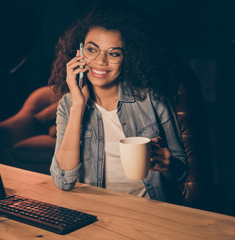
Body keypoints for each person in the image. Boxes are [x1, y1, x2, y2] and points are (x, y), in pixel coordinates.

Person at [48, 5, 188, 203]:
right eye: (92, 50)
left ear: (127, 59)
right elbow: (64, 181)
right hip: (97, 210)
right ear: (79, 52)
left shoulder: (151, 99)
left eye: (113, 53)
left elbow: (180, 171)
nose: (100, 61)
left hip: (150, 210)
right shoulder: (68, 104)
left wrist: (167, 165)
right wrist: (78, 105)